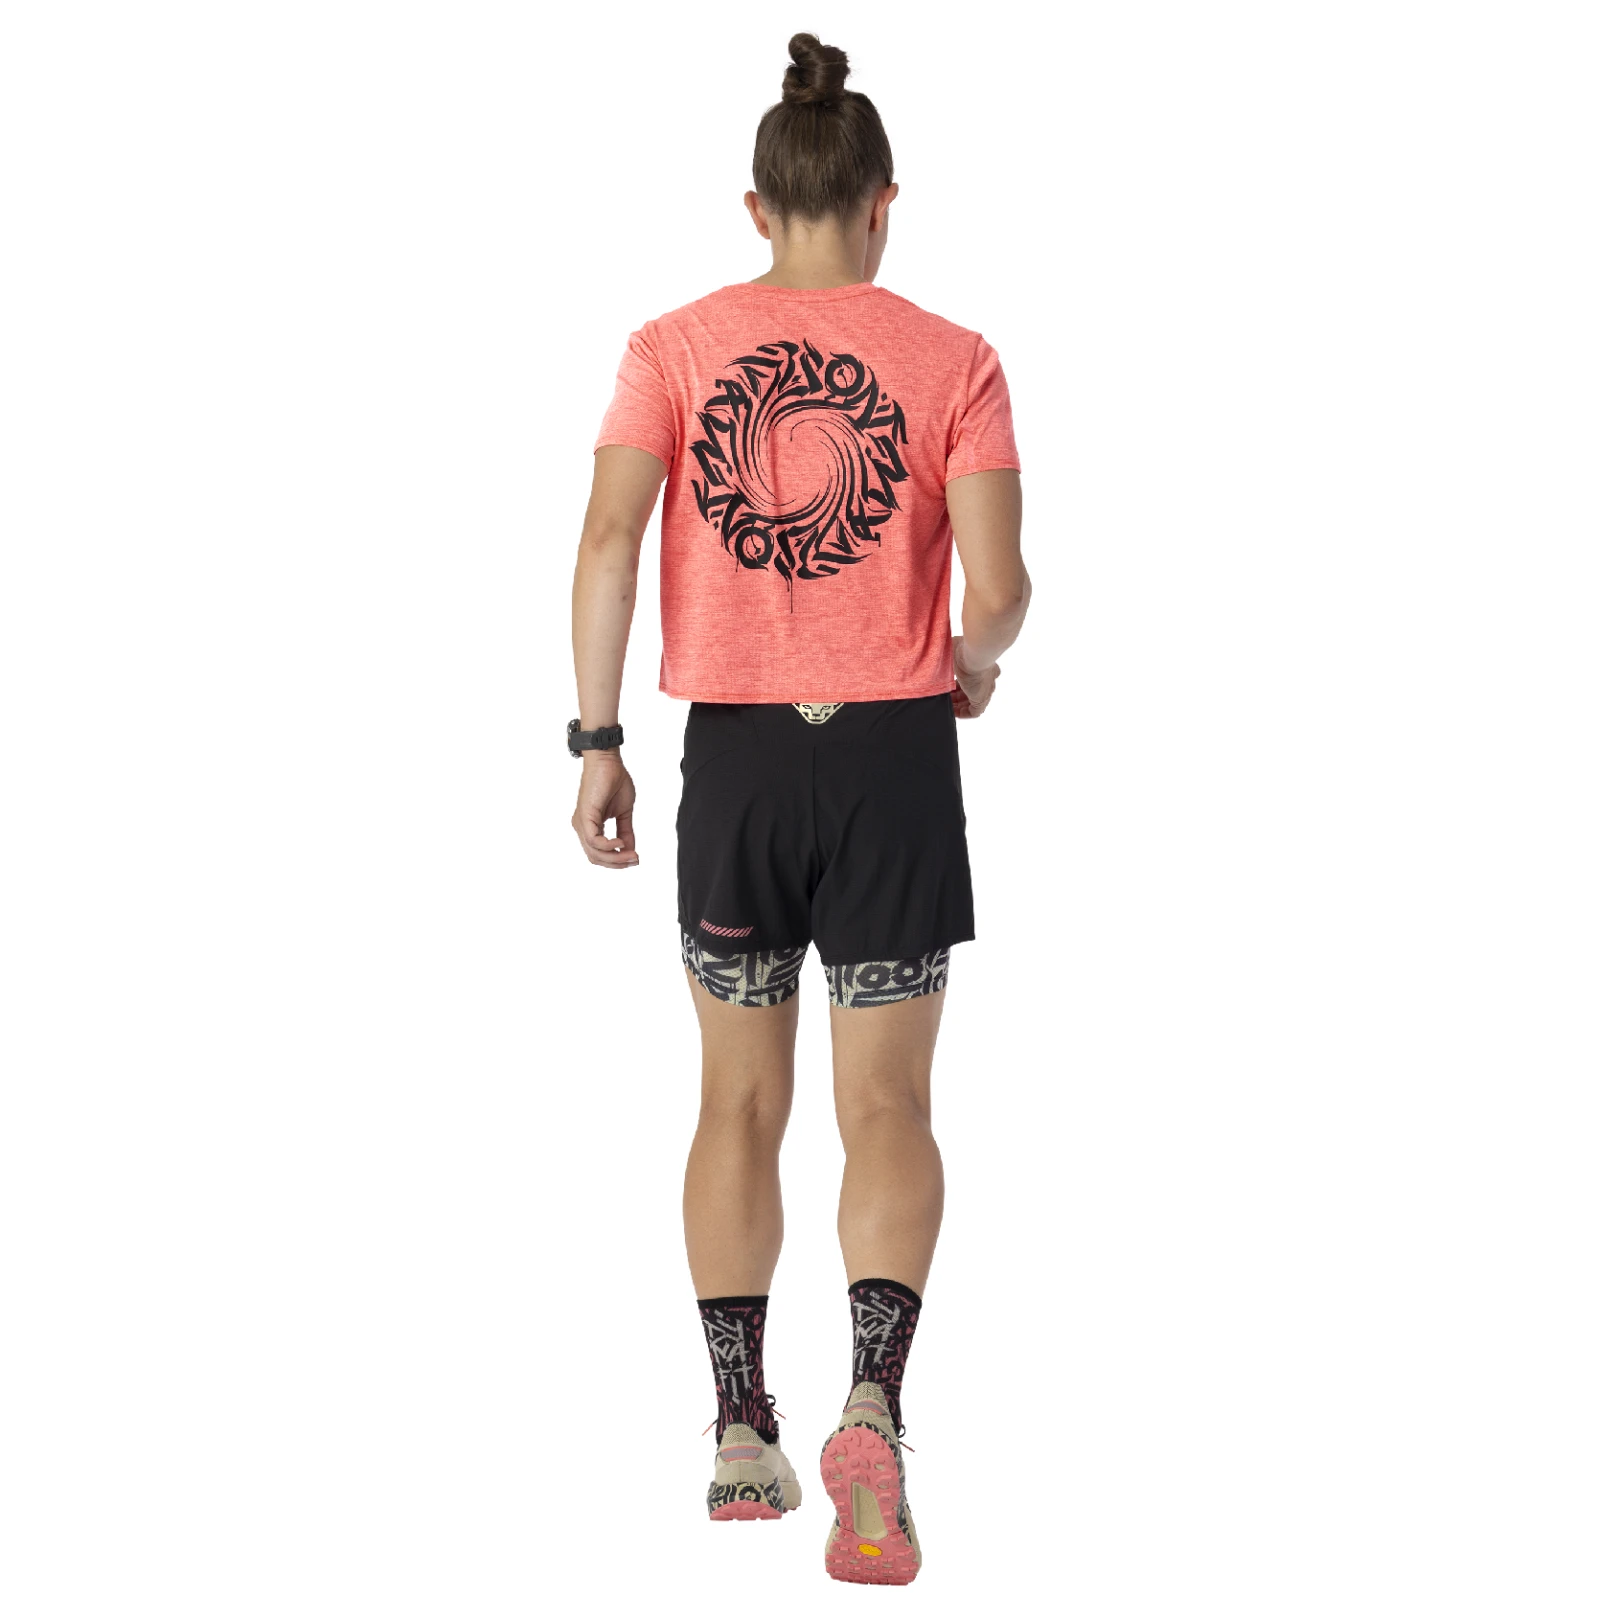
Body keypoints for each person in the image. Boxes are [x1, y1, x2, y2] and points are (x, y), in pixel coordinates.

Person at [569, 34, 1029, 1586]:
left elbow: (608, 543)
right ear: (884, 205)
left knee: (736, 1106)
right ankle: (872, 1408)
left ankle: (736, 1431)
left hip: (740, 766)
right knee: (887, 1110)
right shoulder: (956, 360)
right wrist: (969, 661)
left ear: (757, 208)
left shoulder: (671, 347)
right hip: (893, 761)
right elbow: (1000, 589)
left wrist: (597, 738)